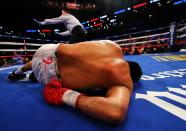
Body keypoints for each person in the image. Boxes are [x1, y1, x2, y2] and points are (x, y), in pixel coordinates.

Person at [8, 40, 142, 124]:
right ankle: (32, 76)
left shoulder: (113, 46)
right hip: (49, 77)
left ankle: (17, 72)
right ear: (131, 78)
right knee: (45, 73)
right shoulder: (122, 80)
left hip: (47, 50)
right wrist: (65, 95)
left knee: (51, 59)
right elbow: (114, 113)